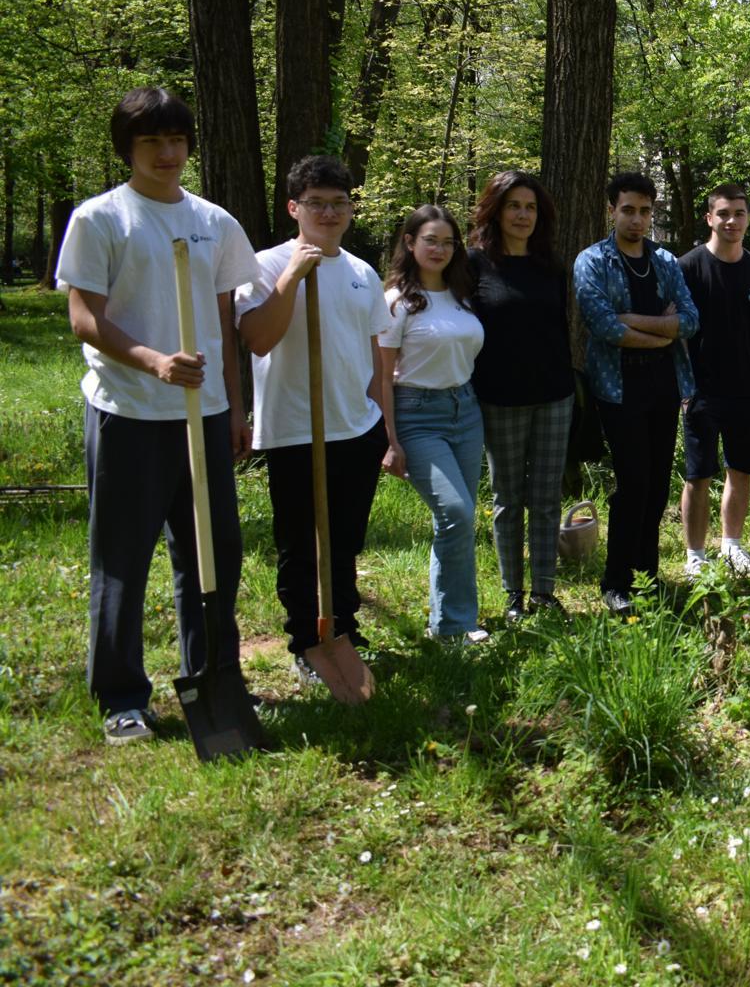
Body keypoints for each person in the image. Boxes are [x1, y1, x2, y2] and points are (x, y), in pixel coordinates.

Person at [56, 87, 258, 745]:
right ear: (128, 148)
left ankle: (215, 678)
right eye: (151, 142)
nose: (167, 153)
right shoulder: (101, 219)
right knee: (122, 556)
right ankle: (122, 696)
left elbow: (224, 323)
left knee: (213, 555)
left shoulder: (214, 221)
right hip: (130, 411)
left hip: (205, 414)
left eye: (176, 140)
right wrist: (153, 362)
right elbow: (84, 317)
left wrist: (235, 406)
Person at [236, 155, 394, 683]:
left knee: (345, 542)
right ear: (294, 208)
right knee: (302, 544)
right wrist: (293, 277)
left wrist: (378, 422)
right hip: (295, 429)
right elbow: (257, 339)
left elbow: (373, 354)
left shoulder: (361, 273)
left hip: (355, 428)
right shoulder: (265, 265)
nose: (329, 213)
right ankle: (307, 640)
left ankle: (343, 628)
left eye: (338, 203)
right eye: (316, 203)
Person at [573, 172, 701, 611]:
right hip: (617, 387)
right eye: (628, 210)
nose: (637, 219)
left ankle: (647, 577)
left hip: (663, 385)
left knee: (658, 485)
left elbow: (690, 320)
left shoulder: (664, 261)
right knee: (633, 484)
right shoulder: (593, 261)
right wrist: (662, 332)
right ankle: (616, 582)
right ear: (612, 210)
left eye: (645, 211)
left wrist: (634, 322)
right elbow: (604, 327)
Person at [468, 170, 575, 621]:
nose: (522, 215)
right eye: (514, 205)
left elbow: (560, 329)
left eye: (530, 207)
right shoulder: (473, 265)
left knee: (547, 500)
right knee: (508, 501)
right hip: (500, 398)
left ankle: (544, 593)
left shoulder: (551, 266)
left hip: (554, 395)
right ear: (495, 211)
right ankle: (513, 594)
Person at [380, 205, 488, 642]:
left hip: (466, 409)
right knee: (456, 512)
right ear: (410, 243)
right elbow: (381, 377)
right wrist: (389, 440)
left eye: (448, 242)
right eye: (430, 240)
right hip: (417, 414)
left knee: (457, 519)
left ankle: (452, 621)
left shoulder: (462, 295)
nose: (440, 249)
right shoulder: (397, 302)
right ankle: (453, 625)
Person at [678, 185, 750, 578]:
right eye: (723, 213)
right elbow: (675, 333)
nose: (731, 221)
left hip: (746, 391)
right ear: (709, 218)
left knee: (741, 471)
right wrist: (681, 389)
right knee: (698, 475)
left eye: (739, 213)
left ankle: (731, 546)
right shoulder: (687, 267)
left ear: (748, 218)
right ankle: (695, 555)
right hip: (700, 392)